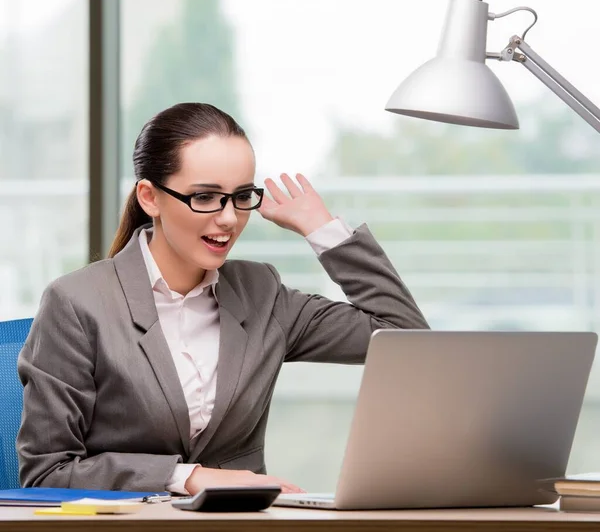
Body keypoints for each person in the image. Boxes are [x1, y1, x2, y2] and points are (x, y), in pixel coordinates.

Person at [17, 102, 429, 495]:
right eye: (205, 197)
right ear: (150, 197)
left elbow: (406, 337)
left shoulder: (261, 293)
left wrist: (322, 230)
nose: (229, 218)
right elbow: (47, 472)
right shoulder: (78, 303)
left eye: (242, 196)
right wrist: (187, 477)